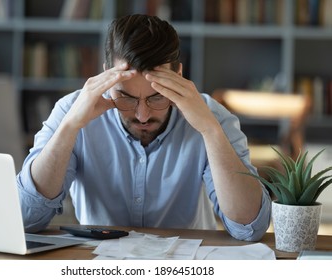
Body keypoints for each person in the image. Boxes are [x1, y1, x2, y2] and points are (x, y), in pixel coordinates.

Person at [17, 14, 271, 241]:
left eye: (157, 96)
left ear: (179, 76)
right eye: (125, 97)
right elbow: (27, 218)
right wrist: (70, 127)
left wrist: (210, 131)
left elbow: (248, 227)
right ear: (106, 75)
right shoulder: (72, 110)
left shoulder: (211, 116)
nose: (142, 115)